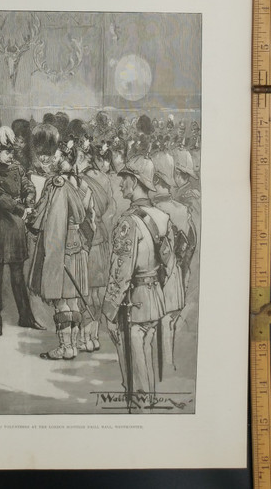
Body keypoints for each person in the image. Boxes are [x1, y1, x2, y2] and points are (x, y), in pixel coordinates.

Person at [102, 155, 174, 408]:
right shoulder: (162, 217)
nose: (120, 185)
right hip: (154, 299)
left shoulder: (128, 222)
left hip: (131, 304)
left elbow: (120, 273)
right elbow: (170, 264)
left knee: (134, 368)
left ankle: (140, 410)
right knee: (146, 355)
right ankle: (147, 406)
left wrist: (109, 312)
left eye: (123, 180)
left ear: (134, 181)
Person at [28, 139, 95, 360]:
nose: (53, 159)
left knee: (60, 299)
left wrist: (33, 219)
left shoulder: (57, 184)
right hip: (77, 246)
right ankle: (73, 346)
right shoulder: (81, 183)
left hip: (61, 246)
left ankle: (65, 347)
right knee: (73, 298)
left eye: (57, 156)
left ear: (66, 160)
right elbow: (89, 220)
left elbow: (53, 221)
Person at [0, 126, 44, 336]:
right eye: (7, 152)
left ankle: (26, 317)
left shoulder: (17, 168)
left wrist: (29, 199)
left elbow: (28, 186)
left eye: (11, 152)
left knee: (18, 276)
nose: (10, 156)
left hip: (16, 226)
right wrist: (20, 209)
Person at [150, 149, 196, 377]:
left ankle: (160, 371)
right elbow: (189, 247)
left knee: (155, 325)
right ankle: (167, 367)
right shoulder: (183, 210)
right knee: (169, 324)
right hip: (176, 277)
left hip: (157, 278)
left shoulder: (153, 211)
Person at [76, 136, 114, 352]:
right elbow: (110, 208)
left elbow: (80, 212)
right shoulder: (106, 180)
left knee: (86, 291)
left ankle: (84, 336)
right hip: (101, 238)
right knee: (98, 292)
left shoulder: (81, 180)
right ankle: (93, 335)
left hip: (88, 238)